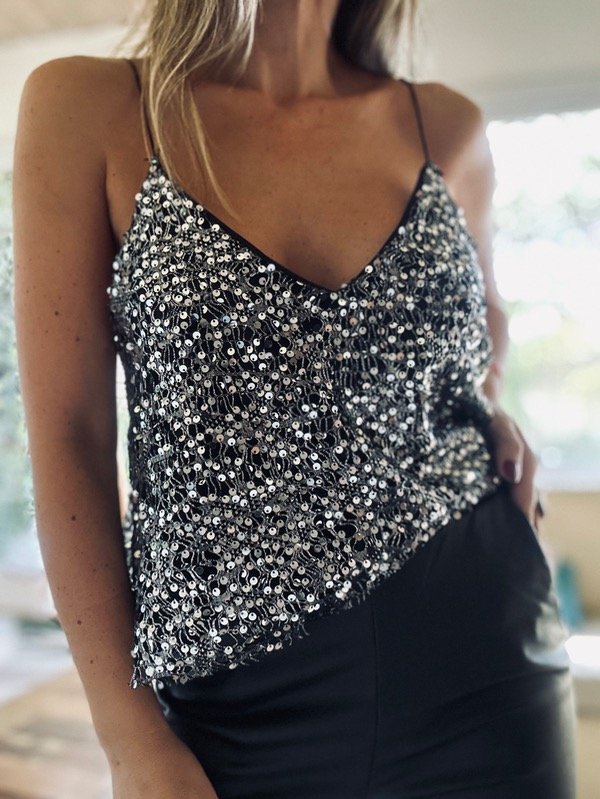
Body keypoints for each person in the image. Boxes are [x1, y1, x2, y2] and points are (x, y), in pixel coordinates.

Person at [12, 1, 576, 797]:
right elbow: (69, 435)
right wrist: (129, 738)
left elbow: (481, 319)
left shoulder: (446, 125)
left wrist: (488, 399)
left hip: (487, 661)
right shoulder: (90, 109)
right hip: (234, 708)